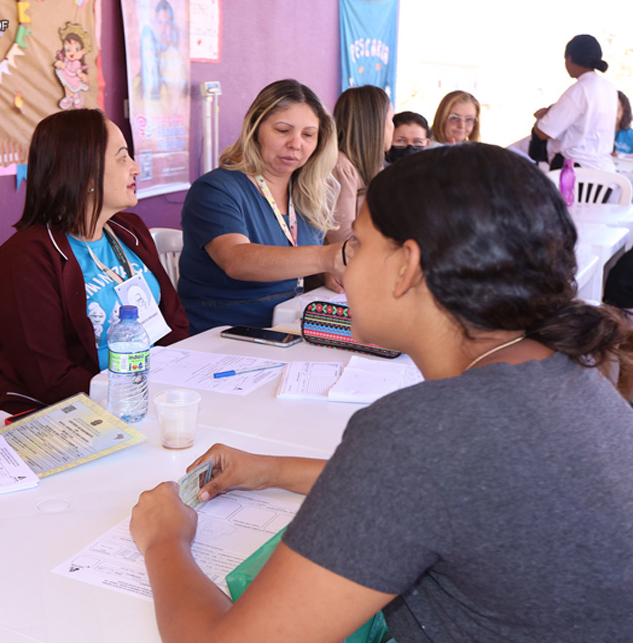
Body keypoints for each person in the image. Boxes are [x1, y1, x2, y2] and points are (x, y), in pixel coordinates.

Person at [131, 144, 633, 642]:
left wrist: (165, 539)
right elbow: (453, 491)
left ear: (406, 266)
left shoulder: (421, 432)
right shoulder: (571, 371)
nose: (345, 268)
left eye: (358, 245)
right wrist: (271, 470)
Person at [0, 110, 189, 415]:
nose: (135, 168)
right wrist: (129, 395)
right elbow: (49, 377)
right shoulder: (25, 260)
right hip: (65, 413)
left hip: (148, 395)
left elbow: (174, 320)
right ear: (84, 172)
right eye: (122, 158)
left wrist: (178, 378)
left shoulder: (129, 230)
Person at [178, 79, 347, 334]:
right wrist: (327, 257)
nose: (296, 143)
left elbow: (292, 259)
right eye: (282, 130)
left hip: (288, 329)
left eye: (308, 135)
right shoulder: (214, 190)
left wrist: (322, 272)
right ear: (255, 128)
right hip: (223, 336)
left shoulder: (307, 193)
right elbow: (237, 261)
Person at [530, 34, 616, 171]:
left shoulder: (579, 90)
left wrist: (542, 116)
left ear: (569, 58)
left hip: (575, 171)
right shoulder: (609, 88)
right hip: (605, 172)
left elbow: (543, 132)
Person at [326, 85, 394, 245]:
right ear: (374, 124)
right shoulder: (340, 167)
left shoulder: (374, 166)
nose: (393, 126)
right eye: (391, 119)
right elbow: (342, 238)